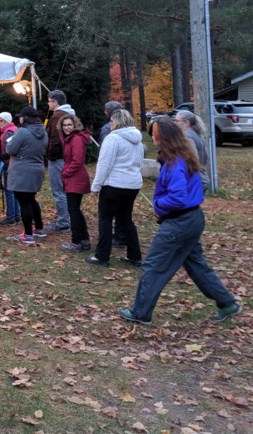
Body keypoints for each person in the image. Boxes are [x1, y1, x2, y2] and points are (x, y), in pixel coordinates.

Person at [117, 116, 241, 325]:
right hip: (191, 219)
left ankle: (140, 312)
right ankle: (227, 303)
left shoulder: (175, 163)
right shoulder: (182, 157)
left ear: (163, 138)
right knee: (196, 264)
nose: (153, 139)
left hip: (180, 223)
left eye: (154, 135)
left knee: (153, 265)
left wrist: (158, 205)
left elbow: (177, 197)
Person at [88, 109, 144, 267]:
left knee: (105, 220)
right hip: (132, 184)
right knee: (126, 219)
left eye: (112, 120)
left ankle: (102, 256)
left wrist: (96, 186)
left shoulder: (113, 139)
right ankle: (135, 255)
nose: (110, 123)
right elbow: (139, 162)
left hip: (114, 184)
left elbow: (104, 164)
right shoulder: (137, 139)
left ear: (117, 121)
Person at [4, 106, 48, 244]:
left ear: (25, 118)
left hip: (22, 169)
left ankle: (28, 234)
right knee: (31, 199)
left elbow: (10, 149)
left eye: (21, 116)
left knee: (24, 201)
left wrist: (10, 142)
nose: (19, 118)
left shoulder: (22, 132)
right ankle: (39, 228)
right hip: (37, 168)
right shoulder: (43, 132)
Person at [59, 114, 92, 252]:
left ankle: (76, 241)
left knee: (73, 211)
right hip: (73, 177)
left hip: (75, 178)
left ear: (75, 125)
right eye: (64, 125)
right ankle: (84, 240)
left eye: (69, 125)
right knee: (75, 210)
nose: (67, 128)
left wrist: (66, 173)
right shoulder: (69, 139)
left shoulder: (76, 139)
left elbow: (77, 161)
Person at [44, 90, 75, 232]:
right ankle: (68, 218)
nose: (48, 104)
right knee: (66, 190)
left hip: (58, 158)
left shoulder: (58, 116)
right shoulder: (70, 115)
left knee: (59, 190)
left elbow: (55, 140)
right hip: (68, 157)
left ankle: (63, 222)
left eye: (49, 101)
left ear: (55, 102)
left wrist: (50, 155)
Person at [100, 100, 126, 246]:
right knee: (123, 212)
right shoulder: (130, 129)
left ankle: (116, 237)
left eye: (106, 110)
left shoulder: (108, 130)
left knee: (110, 213)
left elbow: (106, 155)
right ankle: (121, 235)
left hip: (114, 176)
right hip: (127, 177)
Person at [174, 110, 210, 191]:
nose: (175, 123)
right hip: (199, 176)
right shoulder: (197, 134)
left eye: (177, 121)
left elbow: (192, 159)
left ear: (186, 122)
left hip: (193, 178)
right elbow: (205, 156)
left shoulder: (187, 137)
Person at [0, 112, 21, 227]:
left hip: (9, 164)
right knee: (14, 190)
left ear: (6, 121)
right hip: (14, 164)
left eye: (1, 121)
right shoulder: (15, 129)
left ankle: (11, 216)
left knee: (9, 190)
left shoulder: (8, 132)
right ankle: (16, 214)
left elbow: (8, 150)